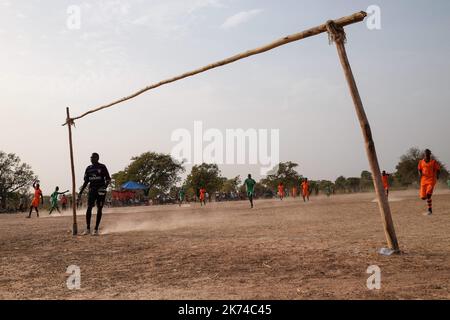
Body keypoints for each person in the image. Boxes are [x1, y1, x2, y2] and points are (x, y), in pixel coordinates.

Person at [77, 153, 111, 236]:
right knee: (89, 208)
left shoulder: (102, 167)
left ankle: (96, 229)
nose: (91, 159)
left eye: (93, 157)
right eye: (90, 157)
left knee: (99, 208)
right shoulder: (88, 168)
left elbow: (108, 179)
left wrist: (104, 187)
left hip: (101, 191)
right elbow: (86, 182)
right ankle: (88, 229)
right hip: (92, 190)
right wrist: (80, 193)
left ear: (97, 158)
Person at [418, 149, 440, 215]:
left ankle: (430, 210)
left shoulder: (433, 162)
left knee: (428, 194)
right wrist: (420, 174)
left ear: (430, 154)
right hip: (423, 181)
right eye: (426, 153)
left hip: (431, 180)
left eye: (428, 153)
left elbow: (438, 169)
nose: (427, 154)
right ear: (424, 154)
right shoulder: (421, 162)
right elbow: (419, 169)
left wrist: (437, 175)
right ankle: (428, 198)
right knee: (423, 197)